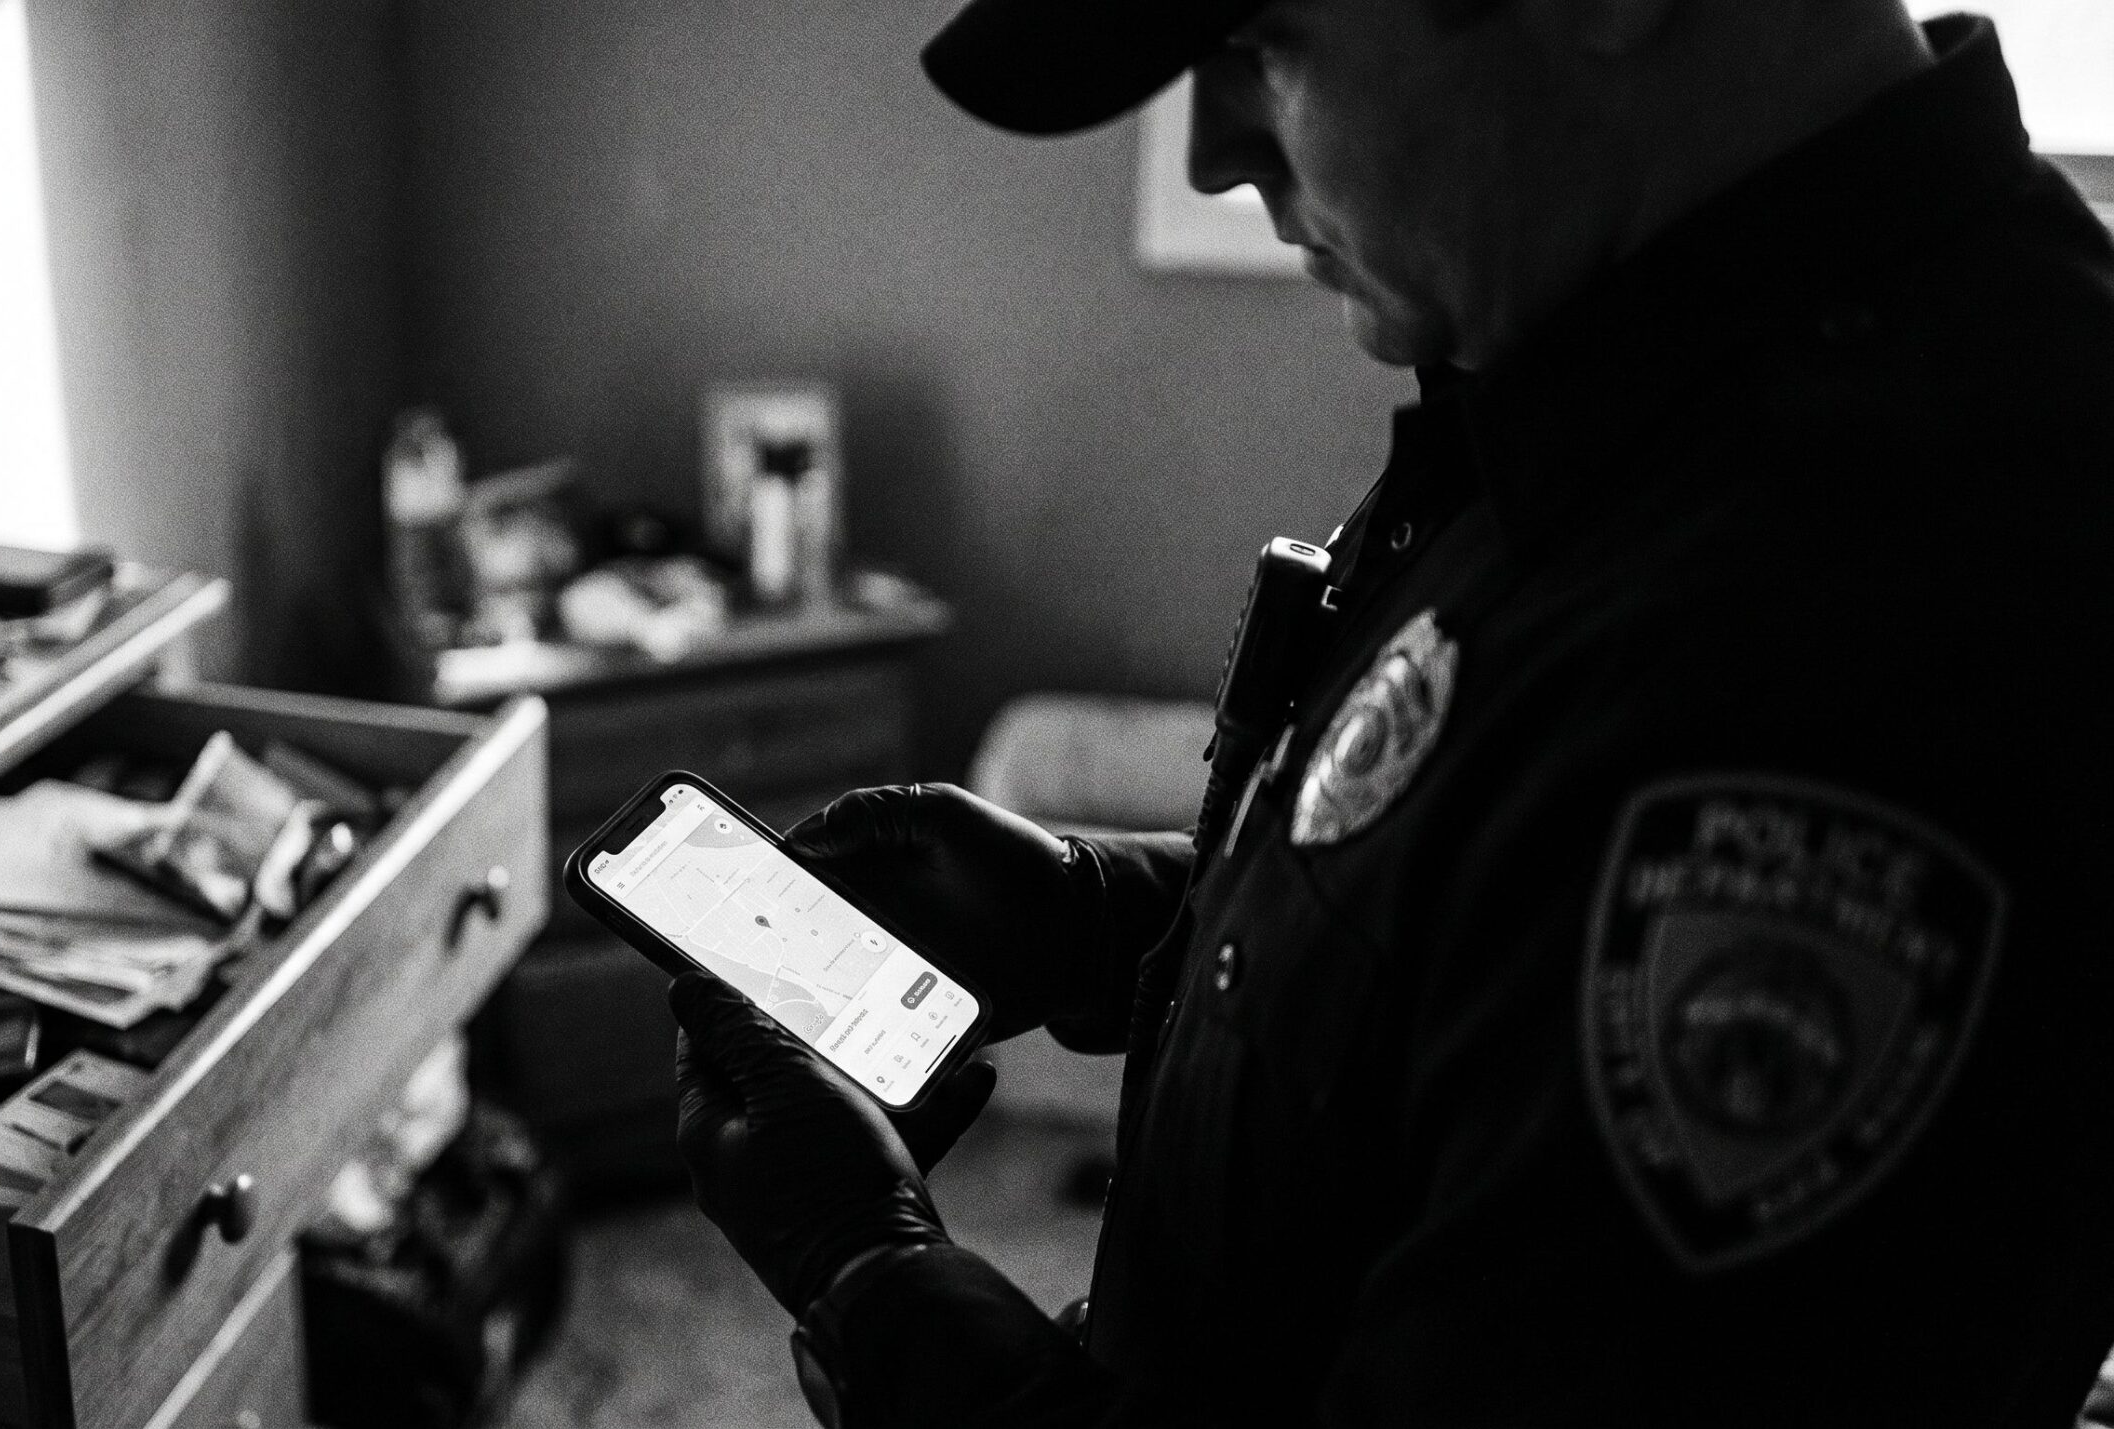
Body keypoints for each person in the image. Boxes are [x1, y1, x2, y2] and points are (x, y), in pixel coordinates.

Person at [663, 0, 2114, 1423]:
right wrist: (1115, 918)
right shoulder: (1627, 362)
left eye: (1261, 43)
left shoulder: (1883, 609)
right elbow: (1499, 936)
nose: (1209, 158)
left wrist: (878, 1281)